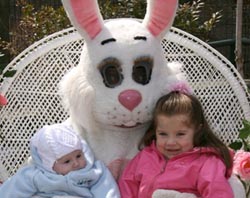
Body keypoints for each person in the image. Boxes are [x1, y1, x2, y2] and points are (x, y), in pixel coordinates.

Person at [118, 84, 234, 198]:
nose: (170, 142)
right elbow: (127, 185)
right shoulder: (146, 156)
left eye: (180, 134)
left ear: (197, 130)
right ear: (155, 131)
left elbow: (218, 192)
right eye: (163, 134)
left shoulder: (206, 162)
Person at [0, 123, 120, 198]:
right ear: (48, 165)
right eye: (67, 161)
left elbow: (107, 191)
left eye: (78, 156)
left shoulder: (94, 172)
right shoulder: (34, 176)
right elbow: (11, 190)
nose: (75, 163)